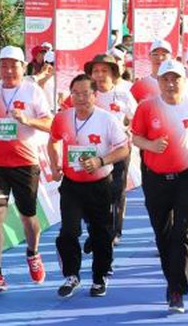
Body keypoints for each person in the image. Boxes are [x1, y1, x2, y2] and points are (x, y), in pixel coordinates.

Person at [130, 59, 188, 314]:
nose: (170, 84)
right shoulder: (147, 107)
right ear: (158, 81)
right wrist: (150, 145)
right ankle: (172, 281)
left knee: (183, 231)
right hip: (155, 177)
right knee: (163, 233)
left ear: (183, 80)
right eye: (165, 79)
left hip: (186, 176)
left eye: (175, 79)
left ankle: (177, 290)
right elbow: (135, 137)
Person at [0, 46, 53, 293]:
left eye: (14, 65)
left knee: (28, 217)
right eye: (4, 65)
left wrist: (27, 120)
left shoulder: (33, 91)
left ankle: (33, 253)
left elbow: (50, 123)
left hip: (25, 162)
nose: (8, 70)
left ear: (23, 67)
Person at [48, 74, 130, 298]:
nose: (81, 98)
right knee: (68, 232)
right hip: (71, 185)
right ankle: (71, 275)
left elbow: (124, 149)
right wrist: (55, 165)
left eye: (86, 93)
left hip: (100, 184)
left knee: (101, 233)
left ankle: (100, 277)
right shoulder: (62, 118)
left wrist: (100, 161)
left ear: (95, 95)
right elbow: (53, 141)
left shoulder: (107, 120)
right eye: (76, 93)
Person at [84, 54, 138, 245]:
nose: (99, 75)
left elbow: (136, 117)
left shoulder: (124, 95)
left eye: (104, 71)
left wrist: (129, 129)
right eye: (96, 71)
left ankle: (115, 231)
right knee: (93, 192)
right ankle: (95, 228)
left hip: (119, 149)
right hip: (93, 150)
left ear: (113, 74)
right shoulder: (87, 95)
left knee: (116, 190)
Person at [131, 39, 173, 104]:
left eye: (164, 54)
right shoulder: (141, 85)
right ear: (149, 56)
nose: (159, 58)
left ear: (171, 57)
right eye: (155, 54)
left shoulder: (181, 83)